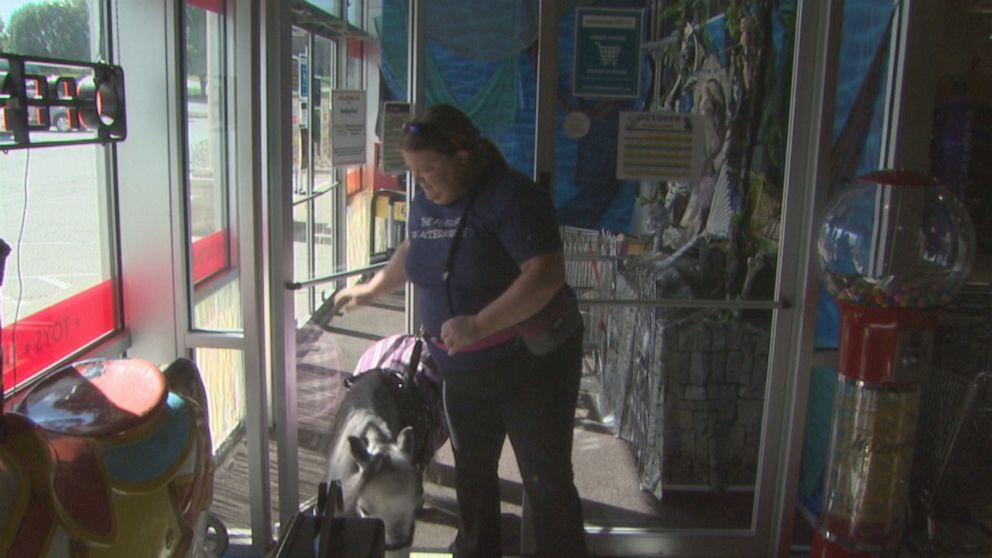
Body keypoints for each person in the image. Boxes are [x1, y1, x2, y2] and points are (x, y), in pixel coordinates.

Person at [334, 104, 586, 558]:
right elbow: (414, 247)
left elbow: (545, 274)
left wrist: (480, 324)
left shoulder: (511, 198)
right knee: (472, 476)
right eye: (413, 170)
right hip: (464, 373)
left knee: (544, 479)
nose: (421, 180)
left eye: (429, 168)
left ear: (463, 157)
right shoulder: (428, 200)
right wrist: (371, 289)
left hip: (531, 367)